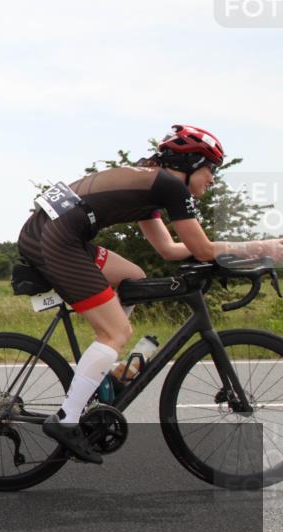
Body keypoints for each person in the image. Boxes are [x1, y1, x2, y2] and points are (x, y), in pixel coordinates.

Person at [17, 124, 283, 463]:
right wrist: (264, 248)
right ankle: (67, 420)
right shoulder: (170, 185)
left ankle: (106, 370)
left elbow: (171, 250)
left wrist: (232, 254)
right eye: (211, 169)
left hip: (52, 233)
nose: (213, 179)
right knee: (116, 331)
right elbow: (200, 249)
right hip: (57, 240)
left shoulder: (151, 183)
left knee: (132, 277)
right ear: (190, 165)